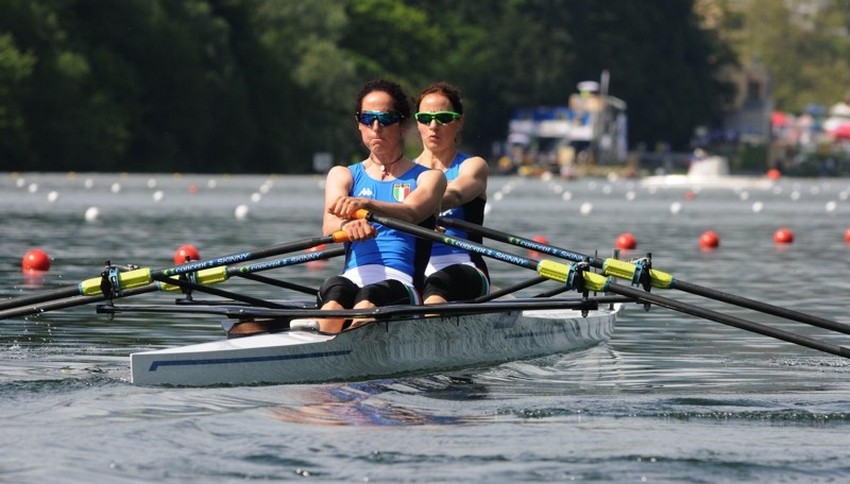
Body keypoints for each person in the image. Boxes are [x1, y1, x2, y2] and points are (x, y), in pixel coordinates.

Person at [316, 79, 447, 333]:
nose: (376, 127)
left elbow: (411, 212)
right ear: (359, 124)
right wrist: (349, 224)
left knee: (369, 299)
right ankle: (320, 357)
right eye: (367, 119)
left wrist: (365, 205)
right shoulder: (342, 175)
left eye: (385, 119)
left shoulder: (429, 177)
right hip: (351, 279)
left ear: (403, 124)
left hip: (402, 284)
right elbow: (329, 224)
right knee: (334, 293)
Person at [413, 81, 490, 304]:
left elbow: (455, 194)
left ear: (459, 121)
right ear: (417, 123)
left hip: (463, 266)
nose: (434, 126)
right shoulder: (404, 173)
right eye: (426, 119)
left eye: (444, 118)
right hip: (413, 268)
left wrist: (423, 211)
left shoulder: (472, 166)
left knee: (435, 285)